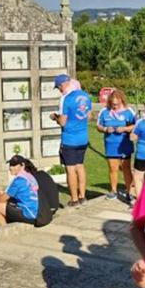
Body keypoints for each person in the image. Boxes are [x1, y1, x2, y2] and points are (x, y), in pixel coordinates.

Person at [50, 74, 92, 207]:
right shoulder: (85, 95)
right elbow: (89, 116)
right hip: (83, 137)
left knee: (71, 169)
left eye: (58, 88)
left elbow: (62, 122)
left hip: (70, 139)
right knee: (80, 166)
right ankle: (83, 196)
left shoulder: (65, 99)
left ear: (62, 85)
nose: (59, 90)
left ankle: (74, 199)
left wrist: (54, 117)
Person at [96, 89, 136, 199]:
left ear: (122, 101)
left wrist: (124, 128)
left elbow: (136, 125)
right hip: (110, 144)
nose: (115, 106)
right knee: (112, 168)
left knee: (126, 168)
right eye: (113, 104)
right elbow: (98, 126)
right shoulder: (104, 111)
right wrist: (105, 129)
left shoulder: (129, 111)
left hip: (124, 144)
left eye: (117, 104)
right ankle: (113, 191)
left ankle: (130, 192)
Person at [0, 155, 39, 226]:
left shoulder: (19, 180)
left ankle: (4, 229)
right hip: (36, 211)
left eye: (14, 165)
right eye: (10, 165)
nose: (11, 168)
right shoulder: (29, 175)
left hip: (29, 214)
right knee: (7, 201)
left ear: (22, 165)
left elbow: (2, 200)